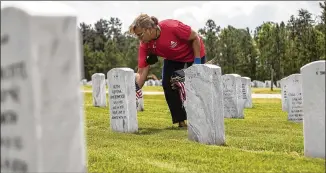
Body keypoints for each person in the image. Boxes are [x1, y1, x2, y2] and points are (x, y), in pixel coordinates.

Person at [129, 14, 206, 128]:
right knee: (167, 84)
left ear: (149, 29)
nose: (139, 39)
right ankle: (181, 121)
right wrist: (134, 92)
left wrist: (197, 62)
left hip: (194, 54)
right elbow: (141, 72)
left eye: (140, 35)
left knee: (196, 85)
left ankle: (202, 119)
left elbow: (195, 37)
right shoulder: (145, 45)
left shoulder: (172, 27)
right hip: (173, 58)